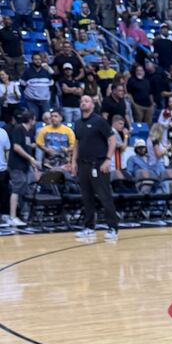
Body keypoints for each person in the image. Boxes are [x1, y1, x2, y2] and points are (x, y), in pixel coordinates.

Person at [70, 93, 120, 242]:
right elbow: (77, 144)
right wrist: (73, 162)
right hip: (83, 165)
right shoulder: (78, 123)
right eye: (81, 101)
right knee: (87, 198)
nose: (83, 103)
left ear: (92, 104)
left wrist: (107, 160)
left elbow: (112, 139)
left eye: (86, 101)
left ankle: (113, 228)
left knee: (104, 196)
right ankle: (89, 227)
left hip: (99, 164)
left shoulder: (99, 121)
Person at [7, 109, 39, 227]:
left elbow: (29, 148)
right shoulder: (19, 129)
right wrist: (30, 158)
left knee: (25, 188)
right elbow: (16, 147)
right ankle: (12, 216)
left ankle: (23, 214)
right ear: (31, 120)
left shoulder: (29, 132)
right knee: (17, 188)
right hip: (16, 165)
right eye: (35, 119)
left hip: (25, 166)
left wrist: (33, 164)